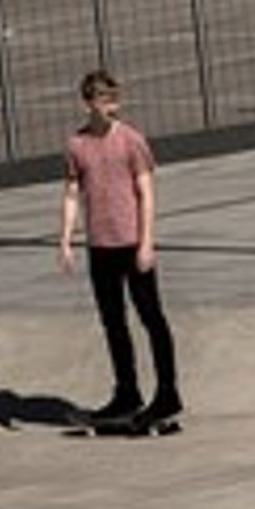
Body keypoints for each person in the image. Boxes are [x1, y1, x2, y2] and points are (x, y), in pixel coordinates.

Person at [59, 69, 181, 428]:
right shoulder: (76, 146)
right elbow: (70, 194)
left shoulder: (131, 141)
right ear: (88, 103)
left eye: (115, 100)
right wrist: (66, 240)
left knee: (151, 318)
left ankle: (168, 393)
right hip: (100, 247)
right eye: (104, 101)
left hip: (131, 244)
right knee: (113, 322)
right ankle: (127, 393)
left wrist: (146, 242)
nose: (112, 107)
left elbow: (146, 193)